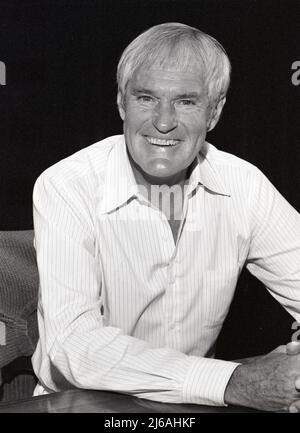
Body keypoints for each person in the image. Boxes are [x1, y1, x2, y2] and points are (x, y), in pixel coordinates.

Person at [32, 22, 300, 412]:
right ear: (122, 103)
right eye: (145, 98)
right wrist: (233, 380)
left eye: (186, 101)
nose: (163, 121)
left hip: (192, 406)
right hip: (79, 404)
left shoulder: (243, 184)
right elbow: (76, 347)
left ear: (215, 112)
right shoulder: (66, 185)